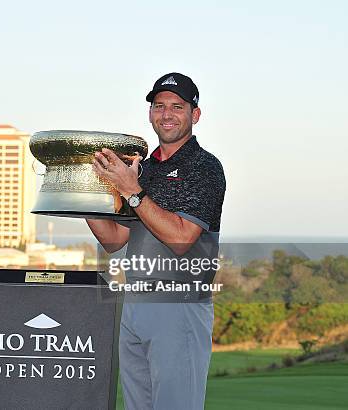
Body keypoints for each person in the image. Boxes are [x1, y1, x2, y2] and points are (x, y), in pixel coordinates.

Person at [86, 72, 226, 410]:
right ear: (150, 114)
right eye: (159, 106)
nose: (166, 114)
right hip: (136, 304)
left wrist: (131, 190)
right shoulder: (142, 169)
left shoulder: (205, 167)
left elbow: (181, 239)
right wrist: (86, 195)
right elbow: (115, 239)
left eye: (177, 107)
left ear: (195, 115)